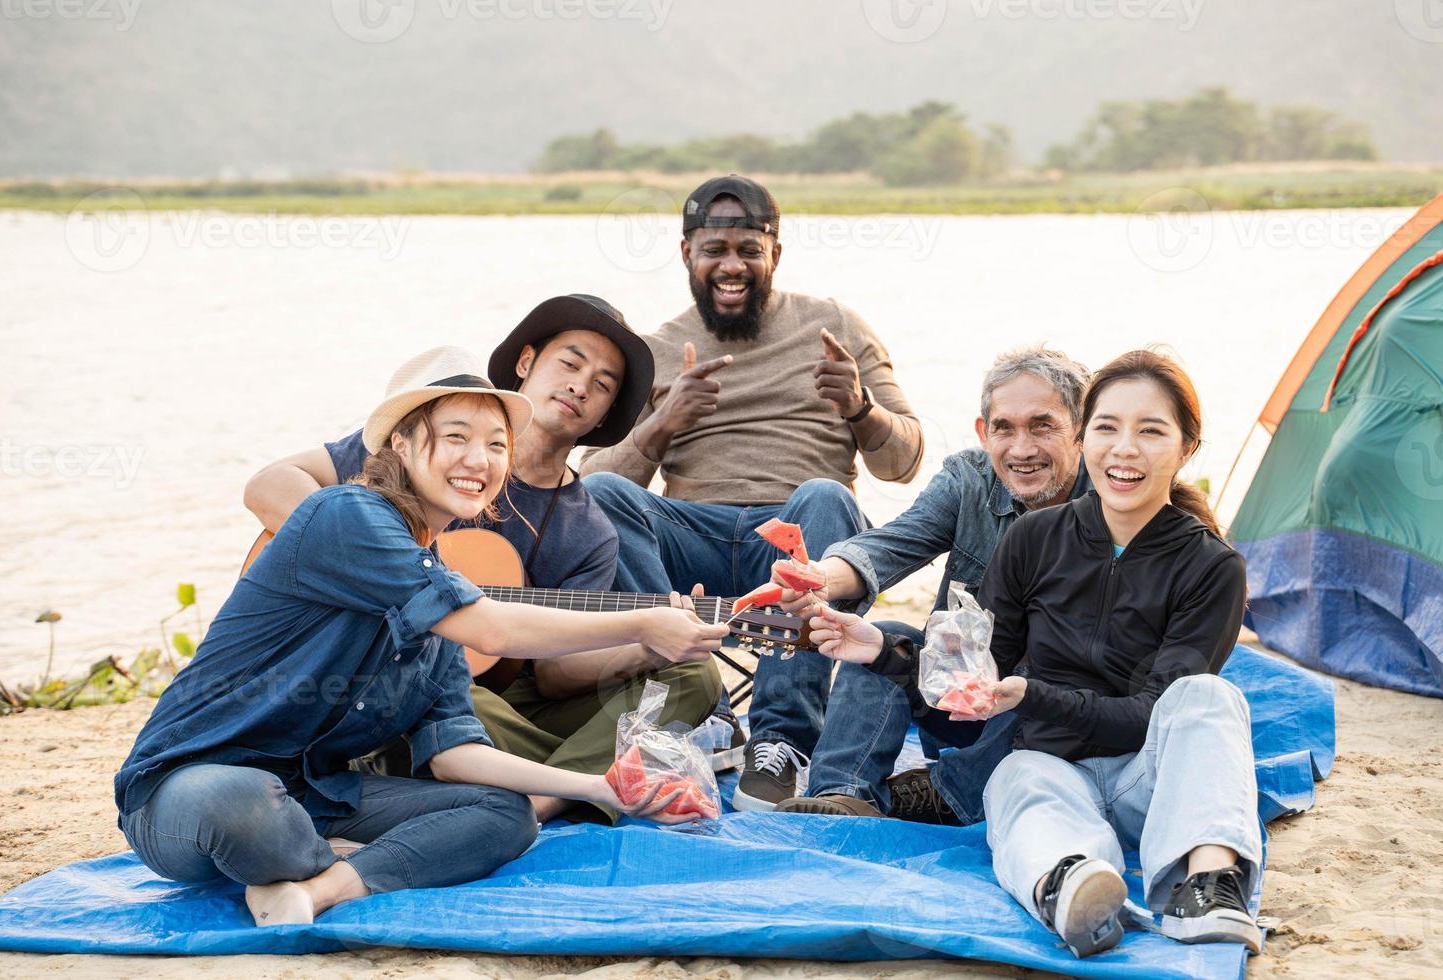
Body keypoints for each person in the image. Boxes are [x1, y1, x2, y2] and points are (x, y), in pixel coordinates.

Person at [117, 349, 729, 929]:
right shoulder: (344, 514)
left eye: (496, 446)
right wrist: (643, 622)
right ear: (401, 445)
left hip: (316, 795)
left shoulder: (439, 603)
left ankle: (320, 887)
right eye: (456, 437)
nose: (479, 460)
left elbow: (454, 754)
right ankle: (342, 856)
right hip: (186, 790)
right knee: (240, 799)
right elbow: (490, 626)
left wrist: (603, 788)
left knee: (506, 814)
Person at [805, 350, 1261, 957]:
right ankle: (1068, 882)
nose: (1124, 449)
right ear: (1087, 436)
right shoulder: (1032, 538)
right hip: (1050, 770)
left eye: (1150, 431)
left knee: (1209, 696)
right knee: (1017, 773)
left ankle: (1207, 885)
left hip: (1148, 779)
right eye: (1108, 427)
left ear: (1185, 448)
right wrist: (884, 652)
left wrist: (1034, 695)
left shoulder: (1213, 567)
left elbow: (1151, 713)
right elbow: (974, 685)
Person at [243, 298, 726, 823]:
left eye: (603, 384)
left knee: (694, 679)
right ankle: (555, 782)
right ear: (525, 364)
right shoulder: (424, 442)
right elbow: (268, 484)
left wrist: (647, 647)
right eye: (570, 363)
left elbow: (555, 677)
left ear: (606, 412)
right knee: (437, 688)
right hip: (403, 670)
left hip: (501, 693)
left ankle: (536, 799)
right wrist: (384, 557)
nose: (581, 386)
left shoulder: (588, 529)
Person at [580, 175, 924, 809]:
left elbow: (904, 461)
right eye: (715, 250)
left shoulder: (837, 325)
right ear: (687, 254)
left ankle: (782, 740)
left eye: (748, 248)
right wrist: (661, 423)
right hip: (693, 542)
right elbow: (585, 487)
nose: (731, 265)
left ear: (775, 253)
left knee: (825, 494)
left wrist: (859, 407)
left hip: (799, 540)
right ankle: (696, 704)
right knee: (602, 488)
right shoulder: (654, 349)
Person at [765, 347, 1093, 818]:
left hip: (1044, 718)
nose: (1021, 449)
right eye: (1004, 428)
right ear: (983, 433)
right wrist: (820, 578)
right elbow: (891, 545)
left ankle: (942, 794)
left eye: (1043, 426)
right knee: (881, 641)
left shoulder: (1110, 499)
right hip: (958, 703)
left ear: (1081, 431)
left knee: (1044, 674)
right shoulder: (969, 478)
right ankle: (842, 793)